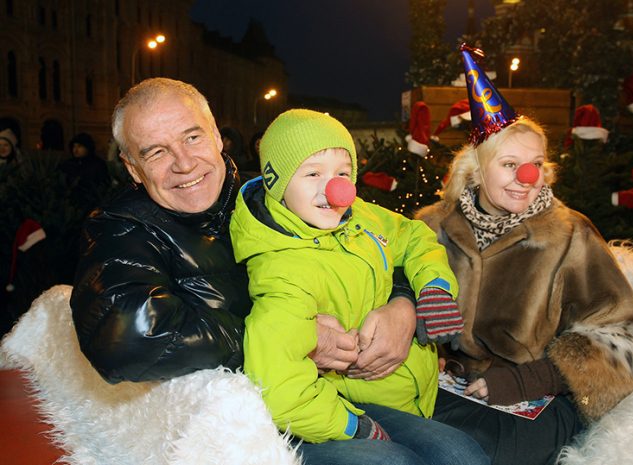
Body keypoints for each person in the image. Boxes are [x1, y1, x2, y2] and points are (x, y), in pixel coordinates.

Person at [70, 78, 418, 400]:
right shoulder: (120, 228)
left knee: (456, 447)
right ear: (132, 167)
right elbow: (127, 337)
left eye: (193, 138)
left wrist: (402, 305)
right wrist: (292, 336)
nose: (184, 163)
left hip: (360, 388)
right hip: (262, 419)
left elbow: (376, 237)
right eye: (156, 152)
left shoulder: (273, 193)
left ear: (218, 137)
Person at [417, 46, 633, 465]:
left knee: (477, 456)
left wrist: (531, 378)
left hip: (536, 401)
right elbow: (394, 296)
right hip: (445, 391)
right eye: (510, 164)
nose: (528, 178)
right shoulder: (433, 228)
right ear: (475, 169)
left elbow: (627, 343)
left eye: (536, 164)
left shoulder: (569, 234)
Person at [230, 109, 488, 465]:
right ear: (277, 182)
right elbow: (280, 384)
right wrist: (351, 425)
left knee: (465, 456)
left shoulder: (362, 216)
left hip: (410, 393)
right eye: (312, 173)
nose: (335, 189)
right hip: (341, 404)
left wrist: (433, 287)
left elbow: (416, 237)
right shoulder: (282, 269)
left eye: (342, 173)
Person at [59, 132, 111, 207]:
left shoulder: (98, 164)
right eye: (74, 146)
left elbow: (103, 184)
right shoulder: (68, 164)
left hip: (91, 202)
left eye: (79, 146)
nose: (76, 150)